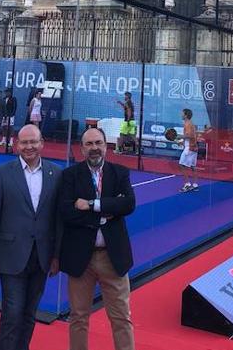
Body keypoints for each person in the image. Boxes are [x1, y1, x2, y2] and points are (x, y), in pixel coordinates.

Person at [0, 124, 62, 350]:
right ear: (17, 145)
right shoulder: (1, 173)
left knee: (29, 315)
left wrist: (56, 256)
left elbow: (58, 220)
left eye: (33, 142)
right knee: (12, 314)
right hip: (10, 257)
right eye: (24, 142)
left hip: (41, 258)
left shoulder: (55, 173)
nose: (29, 147)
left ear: (42, 143)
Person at [59, 127, 136, 350]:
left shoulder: (120, 173)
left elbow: (128, 204)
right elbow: (66, 212)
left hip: (113, 258)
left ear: (106, 146)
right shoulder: (70, 176)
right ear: (82, 149)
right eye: (89, 144)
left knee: (121, 318)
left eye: (98, 143)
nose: (94, 148)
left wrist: (93, 205)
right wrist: (106, 215)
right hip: (81, 259)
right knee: (78, 318)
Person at [178, 108, 198, 192]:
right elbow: (190, 137)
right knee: (193, 167)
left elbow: (190, 135)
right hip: (193, 147)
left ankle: (187, 185)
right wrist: (182, 141)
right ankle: (195, 185)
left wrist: (180, 136)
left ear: (186, 115)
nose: (181, 114)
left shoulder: (188, 124)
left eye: (182, 113)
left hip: (189, 148)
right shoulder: (189, 123)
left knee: (182, 165)